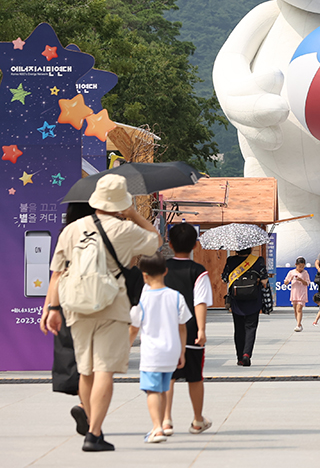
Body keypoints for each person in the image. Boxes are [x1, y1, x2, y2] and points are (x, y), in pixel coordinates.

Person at [42, 174, 161, 452]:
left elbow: (58, 272)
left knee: (85, 371)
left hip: (75, 307)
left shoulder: (72, 229)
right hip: (112, 306)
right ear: (121, 203)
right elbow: (155, 242)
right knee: (104, 369)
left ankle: (90, 420)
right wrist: (133, 215)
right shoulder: (124, 229)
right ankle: (94, 434)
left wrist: (52, 308)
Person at [41, 202, 94, 439]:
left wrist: (49, 308)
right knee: (93, 359)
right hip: (95, 301)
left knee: (76, 354)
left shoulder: (66, 234)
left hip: (66, 301)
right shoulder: (100, 232)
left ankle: (86, 409)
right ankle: (87, 410)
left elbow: (57, 274)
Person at [129, 254, 191, 444]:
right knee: (163, 389)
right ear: (165, 271)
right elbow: (182, 326)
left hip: (152, 353)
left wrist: (124, 349)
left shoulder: (143, 299)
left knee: (152, 391)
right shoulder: (176, 296)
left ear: (144, 275)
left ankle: (157, 428)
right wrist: (181, 352)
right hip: (172, 351)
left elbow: (134, 327)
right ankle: (164, 423)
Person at [163, 223, 214, 436]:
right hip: (191, 330)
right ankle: (197, 420)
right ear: (195, 244)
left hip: (165, 330)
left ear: (170, 243)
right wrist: (201, 330)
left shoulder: (161, 268)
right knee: (195, 376)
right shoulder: (198, 272)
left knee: (168, 376)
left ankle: (166, 420)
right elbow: (200, 302)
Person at [222, 247, 269, 366]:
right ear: (251, 248)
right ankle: (246, 354)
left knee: (239, 329)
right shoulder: (258, 260)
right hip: (253, 300)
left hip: (236, 301)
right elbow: (264, 281)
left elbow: (224, 278)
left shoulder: (230, 260)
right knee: (251, 328)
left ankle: (239, 357)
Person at [284, 258, 311, 331]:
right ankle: (299, 323)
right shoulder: (291, 272)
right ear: (296, 265)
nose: (301, 268)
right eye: (300, 266)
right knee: (295, 309)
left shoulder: (305, 273)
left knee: (299, 309)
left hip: (302, 292)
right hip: (294, 292)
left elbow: (307, 283)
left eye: (302, 266)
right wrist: (290, 279)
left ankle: (298, 325)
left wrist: (301, 280)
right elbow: (286, 282)